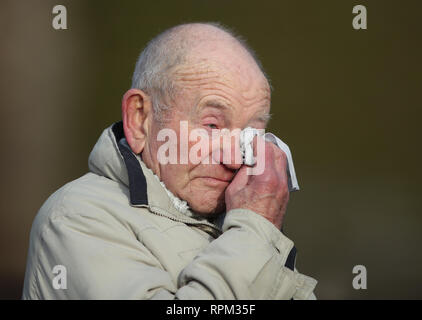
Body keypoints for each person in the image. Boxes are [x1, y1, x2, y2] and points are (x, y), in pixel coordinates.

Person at [22, 22, 317, 299]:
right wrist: (256, 230)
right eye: (212, 125)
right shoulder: (76, 218)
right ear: (140, 119)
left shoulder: (232, 222)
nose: (234, 159)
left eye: (251, 134)